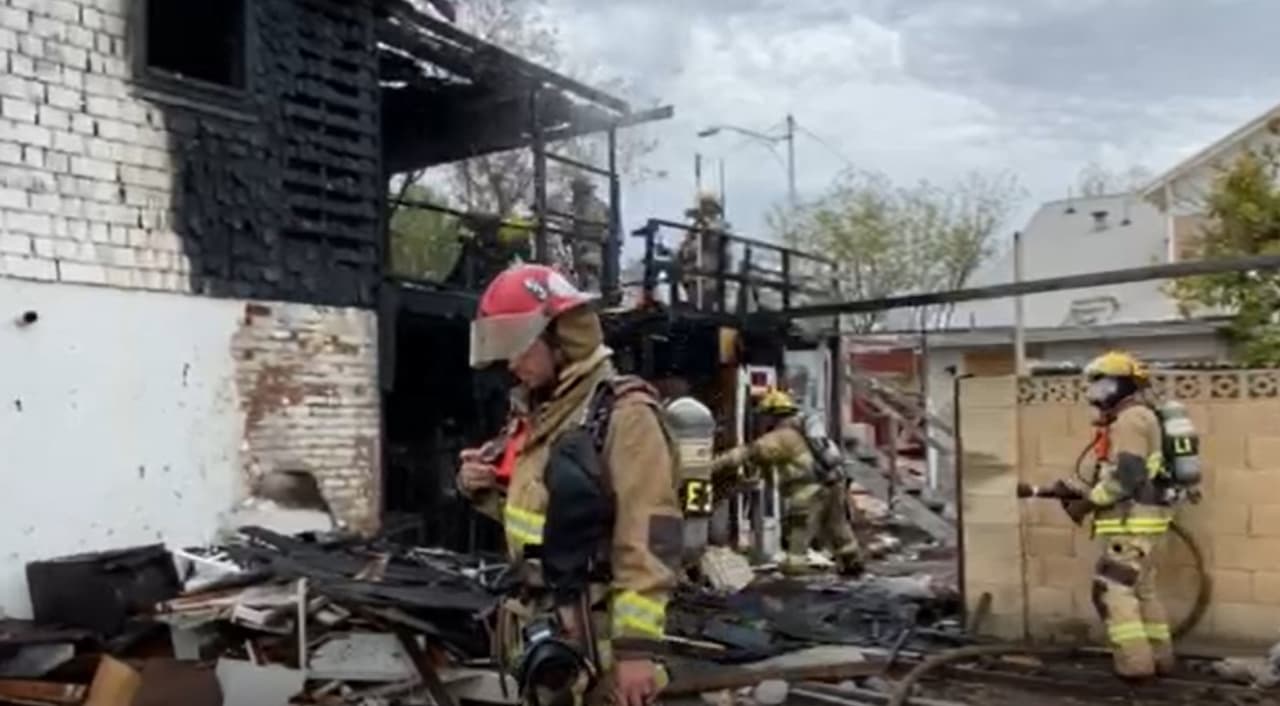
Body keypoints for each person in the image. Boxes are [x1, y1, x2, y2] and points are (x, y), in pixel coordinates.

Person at [455, 263, 683, 706]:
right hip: (541, 627)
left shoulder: (625, 416)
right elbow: (547, 523)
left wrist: (636, 650)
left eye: (520, 347)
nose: (512, 363)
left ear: (565, 336)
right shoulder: (541, 415)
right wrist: (481, 488)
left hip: (596, 637)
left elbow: (650, 536)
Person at [1058, 351, 1176, 680]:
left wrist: (1088, 503)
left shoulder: (1130, 420)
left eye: (1096, 382)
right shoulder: (1139, 417)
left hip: (1131, 524)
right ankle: (1160, 659)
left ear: (1116, 385)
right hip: (1143, 522)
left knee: (1113, 590)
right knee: (1143, 590)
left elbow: (1128, 477)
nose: (1090, 391)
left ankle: (1135, 665)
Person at [709, 387, 863, 575]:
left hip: (807, 492)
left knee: (796, 535)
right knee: (838, 529)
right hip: (831, 485)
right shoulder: (800, 433)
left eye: (764, 416)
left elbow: (747, 452)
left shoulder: (781, 437)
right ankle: (853, 566)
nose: (762, 421)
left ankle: (795, 577)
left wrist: (710, 466)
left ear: (773, 416)